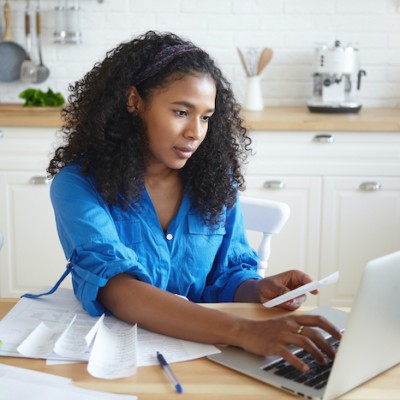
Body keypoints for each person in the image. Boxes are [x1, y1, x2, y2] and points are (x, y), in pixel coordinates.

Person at [47, 30, 341, 373]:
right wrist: (246, 331)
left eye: (205, 117)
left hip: (212, 358)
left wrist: (259, 289)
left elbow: (227, 276)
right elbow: (119, 291)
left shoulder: (215, 182)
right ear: (134, 101)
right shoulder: (78, 184)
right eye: (181, 112)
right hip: (121, 364)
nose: (195, 132)